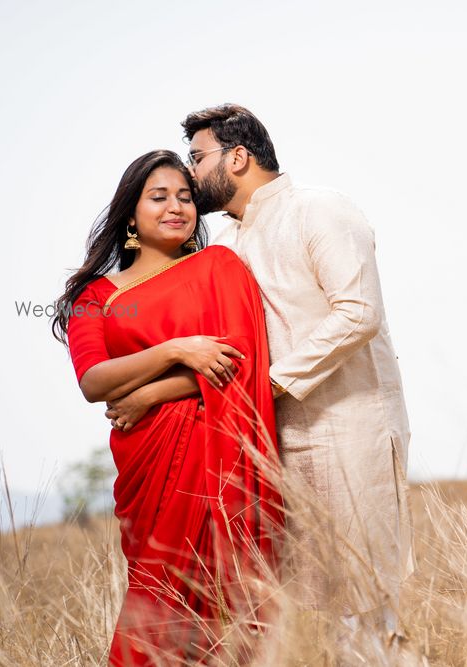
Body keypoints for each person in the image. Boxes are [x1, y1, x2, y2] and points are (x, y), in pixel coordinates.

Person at [180, 103, 414, 646]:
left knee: (366, 597)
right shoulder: (226, 242)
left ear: (237, 157)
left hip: (350, 425)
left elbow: (358, 311)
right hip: (272, 440)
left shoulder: (320, 210)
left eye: (197, 158)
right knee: (310, 608)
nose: (190, 173)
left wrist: (266, 386)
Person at [52, 150, 284, 666]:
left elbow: (239, 362)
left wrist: (150, 391)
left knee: (228, 607)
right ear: (130, 213)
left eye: (185, 197)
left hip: (219, 462)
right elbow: (93, 382)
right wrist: (177, 350)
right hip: (148, 468)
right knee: (156, 600)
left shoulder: (218, 267)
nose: (176, 207)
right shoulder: (98, 297)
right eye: (159, 197)